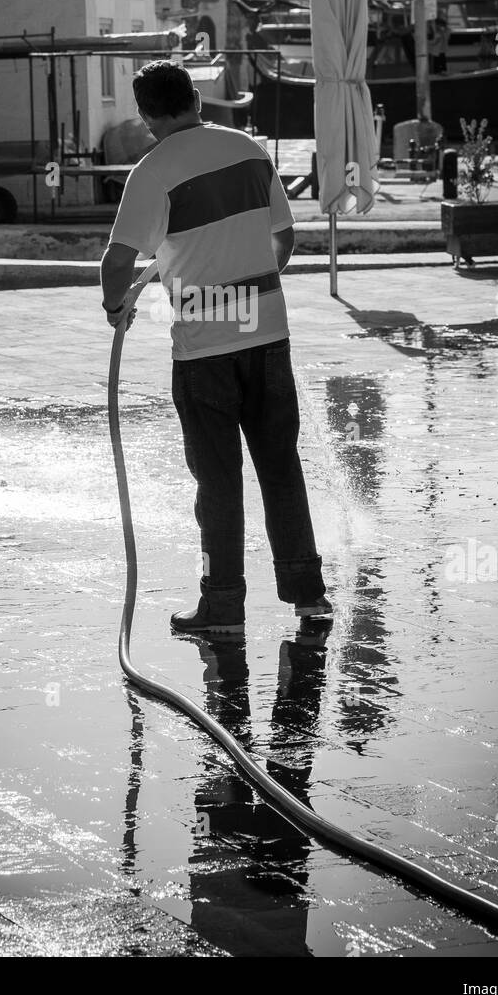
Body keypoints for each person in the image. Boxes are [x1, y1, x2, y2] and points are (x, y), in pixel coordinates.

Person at [100, 60, 331, 635]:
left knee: (219, 481)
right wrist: (250, 284)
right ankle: (308, 596)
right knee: (280, 467)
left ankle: (223, 606)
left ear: (148, 118)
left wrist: (115, 308)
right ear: (196, 99)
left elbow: (117, 261)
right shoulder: (249, 149)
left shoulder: (152, 171)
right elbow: (285, 239)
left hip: (205, 350)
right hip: (269, 335)